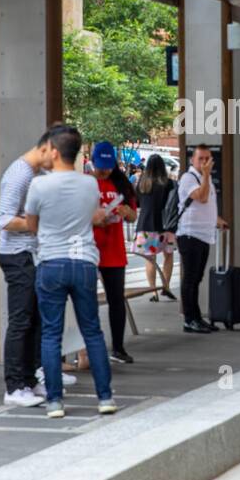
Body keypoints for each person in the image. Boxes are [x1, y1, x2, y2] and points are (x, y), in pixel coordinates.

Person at [23, 125, 117, 417]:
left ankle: (54, 401)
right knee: (92, 331)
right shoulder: (89, 184)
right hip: (84, 262)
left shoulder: (39, 185)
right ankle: (104, 398)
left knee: (51, 334)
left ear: (53, 149)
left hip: (51, 262)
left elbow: (31, 225)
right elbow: (89, 218)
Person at [0, 131, 53, 408]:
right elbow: (3, 219)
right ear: (47, 149)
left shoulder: (34, 174)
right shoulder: (20, 174)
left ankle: (28, 380)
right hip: (16, 255)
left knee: (33, 320)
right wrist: (39, 223)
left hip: (28, 254)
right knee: (21, 320)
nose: (56, 164)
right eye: (57, 156)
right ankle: (15, 385)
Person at [91, 141, 138, 365]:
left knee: (116, 299)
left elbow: (133, 216)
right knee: (85, 301)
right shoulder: (86, 183)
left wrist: (126, 211)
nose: (105, 170)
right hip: (88, 249)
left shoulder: (121, 184)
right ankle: (84, 350)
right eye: (101, 166)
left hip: (114, 249)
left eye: (109, 166)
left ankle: (118, 347)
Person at [177, 144, 227, 332]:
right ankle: (189, 319)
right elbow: (202, 198)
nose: (205, 162)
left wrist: (217, 220)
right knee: (190, 278)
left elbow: (206, 207)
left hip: (203, 235)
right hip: (190, 234)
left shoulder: (205, 179)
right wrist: (206, 175)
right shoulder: (188, 178)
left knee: (196, 278)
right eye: (201, 158)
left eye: (208, 159)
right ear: (192, 160)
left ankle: (196, 317)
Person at [135, 153, 177, 301]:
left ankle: (154, 292)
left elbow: (137, 202)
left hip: (146, 225)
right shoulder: (168, 183)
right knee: (168, 256)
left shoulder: (142, 183)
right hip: (166, 226)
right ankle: (165, 286)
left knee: (150, 259)